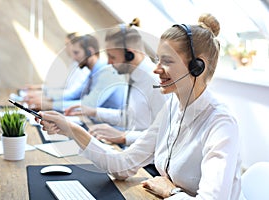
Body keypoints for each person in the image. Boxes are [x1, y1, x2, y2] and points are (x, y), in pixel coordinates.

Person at [38, 13, 241, 199]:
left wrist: (172, 192)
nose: (156, 69)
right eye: (157, 60)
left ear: (198, 66)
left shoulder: (220, 123)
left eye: (167, 61)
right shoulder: (172, 108)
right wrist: (72, 130)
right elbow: (122, 165)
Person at [64, 18, 170, 147]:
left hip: (149, 162)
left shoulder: (155, 82)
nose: (109, 62)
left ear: (130, 54)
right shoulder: (136, 76)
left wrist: (123, 137)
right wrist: (93, 111)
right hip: (135, 152)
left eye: (112, 57)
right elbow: (129, 117)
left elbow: (166, 134)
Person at [25, 34, 125, 112]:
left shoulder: (107, 72)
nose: (74, 58)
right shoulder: (93, 72)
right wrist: (47, 100)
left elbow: (89, 105)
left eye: (76, 53)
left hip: (111, 131)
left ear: (90, 52)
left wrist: (50, 105)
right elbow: (75, 94)